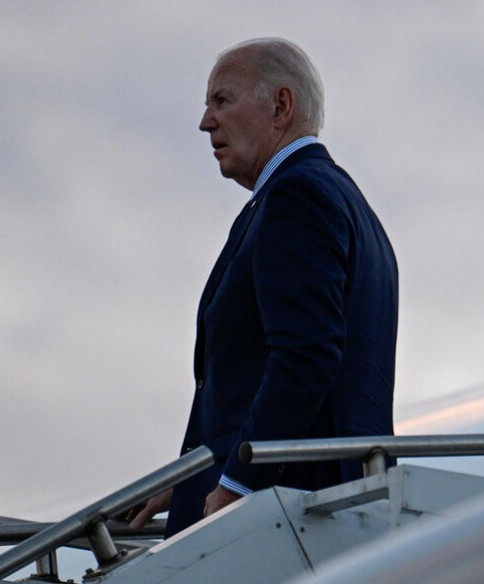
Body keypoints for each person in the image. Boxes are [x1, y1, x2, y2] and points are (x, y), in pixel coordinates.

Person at [129, 38, 398, 537]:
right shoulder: (339, 200)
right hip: (322, 510)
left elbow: (306, 357)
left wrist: (237, 482)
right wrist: (189, 480)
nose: (205, 122)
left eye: (222, 100)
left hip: (289, 520)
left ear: (280, 105)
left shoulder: (299, 196)